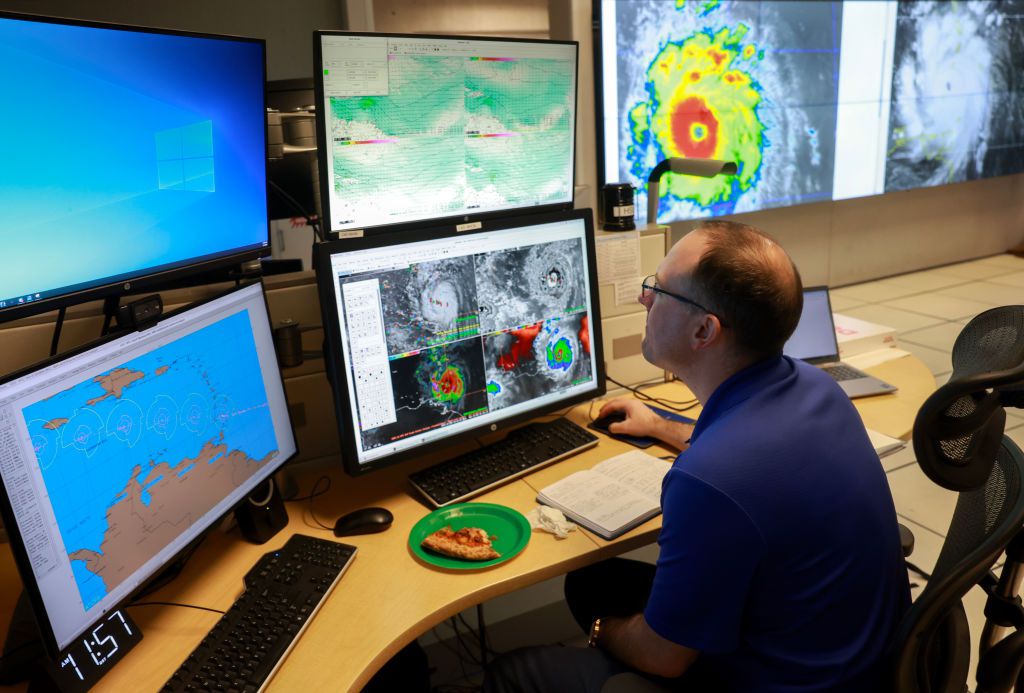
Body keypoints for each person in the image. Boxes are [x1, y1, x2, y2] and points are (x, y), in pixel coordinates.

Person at [484, 221, 911, 692]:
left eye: (659, 290)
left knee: (515, 673)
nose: (643, 300)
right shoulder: (818, 389)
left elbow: (663, 658)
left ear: (704, 330)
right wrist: (659, 426)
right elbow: (749, 464)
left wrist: (603, 633)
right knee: (591, 583)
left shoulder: (710, 481)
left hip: (779, 683)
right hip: (854, 661)